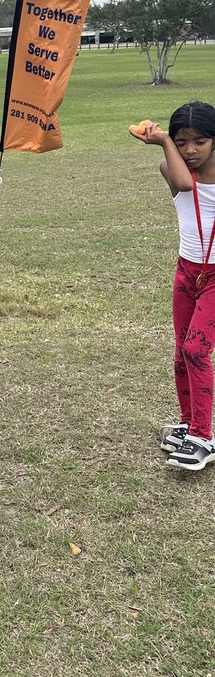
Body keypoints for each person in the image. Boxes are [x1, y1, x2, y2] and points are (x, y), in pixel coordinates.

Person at [130, 102, 215, 471]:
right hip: (187, 271)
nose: (190, 150)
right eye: (181, 142)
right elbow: (178, 178)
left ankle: (204, 436)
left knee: (197, 349)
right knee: (182, 351)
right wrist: (165, 144)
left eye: (200, 141)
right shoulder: (173, 166)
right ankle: (187, 423)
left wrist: (162, 137)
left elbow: (184, 181)